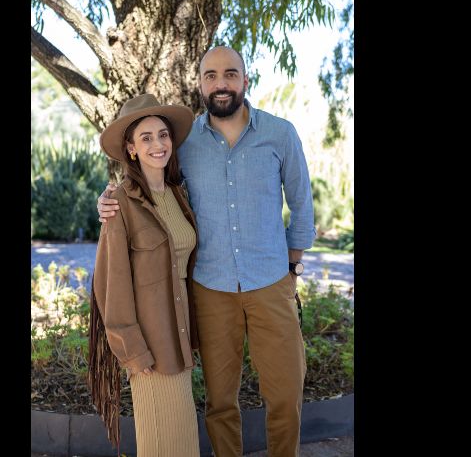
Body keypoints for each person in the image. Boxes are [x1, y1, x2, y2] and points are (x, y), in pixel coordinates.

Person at [98, 46, 316, 456]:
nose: (221, 83)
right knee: (220, 403)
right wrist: (106, 199)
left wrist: (292, 269)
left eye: (230, 74)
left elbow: (302, 207)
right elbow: (145, 181)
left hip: (272, 283)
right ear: (200, 84)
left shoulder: (280, 134)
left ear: (245, 80)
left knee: (286, 395)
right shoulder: (184, 143)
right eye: (211, 76)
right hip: (211, 290)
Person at [87, 93, 201, 457]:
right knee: (159, 445)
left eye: (163, 135)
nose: (158, 143)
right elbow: (110, 285)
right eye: (146, 137)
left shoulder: (178, 194)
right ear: (131, 149)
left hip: (180, 339)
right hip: (150, 351)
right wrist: (133, 353)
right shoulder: (119, 203)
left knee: (184, 444)